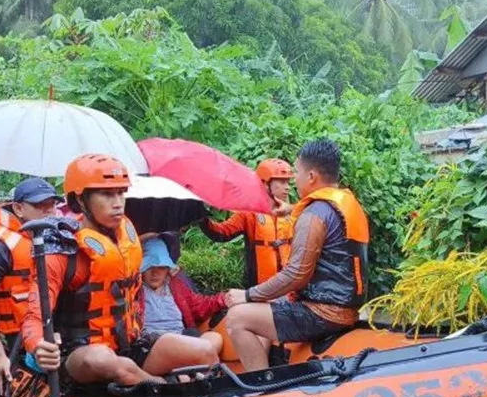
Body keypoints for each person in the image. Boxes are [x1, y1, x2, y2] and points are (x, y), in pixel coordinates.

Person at [23, 154, 220, 386]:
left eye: (120, 193)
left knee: (204, 350)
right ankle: (159, 385)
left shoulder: (127, 234)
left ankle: (195, 395)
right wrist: (38, 344)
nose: (118, 203)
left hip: (129, 344)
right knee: (105, 360)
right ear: (80, 201)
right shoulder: (63, 252)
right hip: (80, 353)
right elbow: (34, 317)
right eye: (107, 194)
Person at [223, 139, 370, 372]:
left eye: (297, 173)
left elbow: (296, 275)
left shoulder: (314, 214)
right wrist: (291, 209)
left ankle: (260, 385)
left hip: (322, 312)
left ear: (311, 176)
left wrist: (249, 294)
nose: (294, 182)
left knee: (237, 318)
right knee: (268, 301)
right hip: (345, 308)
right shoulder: (345, 202)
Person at [0, 177, 61, 392]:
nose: (49, 211)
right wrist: (0, 356)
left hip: (46, 327)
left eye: (52, 205)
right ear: (19, 208)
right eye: (40, 205)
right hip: (15, 337)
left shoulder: (57, 240)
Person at [199, 158, 295, 287]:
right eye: (282, 182)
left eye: (288, 182)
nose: (288, 187)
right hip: (260, 289)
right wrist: (201, 215)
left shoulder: (293, 212)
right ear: (264, 184)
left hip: (289, 289)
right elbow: (221, 233)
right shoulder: (249, 214)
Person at [139, 237, 226, 354]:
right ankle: (191, 365)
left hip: (181, 338)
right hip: (152, 343)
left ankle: (187, 365)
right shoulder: (133, 289)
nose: (155, 273)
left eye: (161, 267)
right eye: (150, 267)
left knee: (214, 338)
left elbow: (199, 305)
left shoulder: (175, 285)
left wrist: (225, 299)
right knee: (185, 342)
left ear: (168, 269)